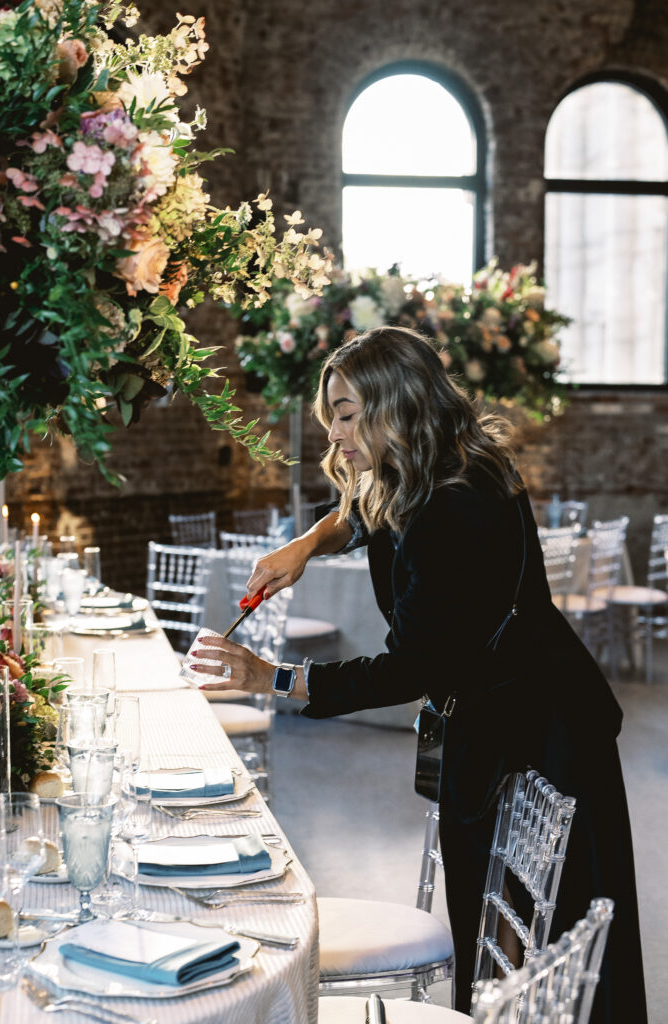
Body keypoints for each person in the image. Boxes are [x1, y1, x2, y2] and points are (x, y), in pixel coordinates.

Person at [193, 326, 647, 1022]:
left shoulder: (450, 506)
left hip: (535, 733)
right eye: (332, 416)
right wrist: (307, 544)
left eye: (346, 414)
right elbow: (365, 517)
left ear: (393, 404)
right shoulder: (444, 467)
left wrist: (272, 679)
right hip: (507, 718)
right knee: (497, 939)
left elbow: (408, 670)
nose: (336, 435)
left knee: (541, 945)